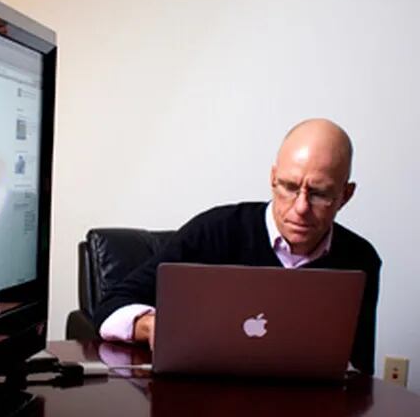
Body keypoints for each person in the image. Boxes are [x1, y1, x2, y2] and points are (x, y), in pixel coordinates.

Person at [93, 119, 381, 374]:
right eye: (290, 187)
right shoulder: (214, 231)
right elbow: (109, 307)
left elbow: (359, 368)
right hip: (209, 404)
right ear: (273, 178)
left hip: (310, 408)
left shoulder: (361, 259)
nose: (301, 207)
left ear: (345, 195)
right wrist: (153, 326)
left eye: (319, 194)